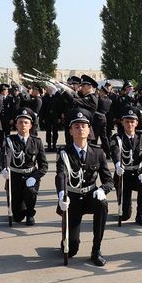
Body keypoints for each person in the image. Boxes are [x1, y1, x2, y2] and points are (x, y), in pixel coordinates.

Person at [55, 108, 114, 266]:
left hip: (90, 196)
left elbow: (109, 180)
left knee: (102, 204)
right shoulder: (64, 153)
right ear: (70, 131)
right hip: (72, 199)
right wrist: (61, 195)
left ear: (89, 130)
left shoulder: (98, 152)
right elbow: (61, 175)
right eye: (76, 126)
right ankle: (67, 240)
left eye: (83, 126)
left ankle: (96, 250)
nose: (80, 129)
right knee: (71, 250)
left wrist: (102, 190)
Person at [1, 108, 48, 225]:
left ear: (30, 125)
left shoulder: (37, 142)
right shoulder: (10, 140)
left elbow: (43, 165)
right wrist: (5, 168)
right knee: (17, 217)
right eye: (20, 122)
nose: (23, 125)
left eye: (26, 122)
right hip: (15, 177)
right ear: (16, 125)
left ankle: (30, 213)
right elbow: (7, 155)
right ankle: (21, 209)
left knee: (30, 191)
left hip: (30, 176)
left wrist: (35, 177)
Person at [110, 106, 142, 226]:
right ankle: (125, 210)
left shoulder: (141, 136)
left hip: (137, 173)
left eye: (132, 121)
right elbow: (115, 152)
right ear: (122, 122)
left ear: (137, 123)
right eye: (127, 121)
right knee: (125, 216)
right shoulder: (117, 138)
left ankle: (140, 215)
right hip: (123, 175)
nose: (130, 124)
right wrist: (118, 164)